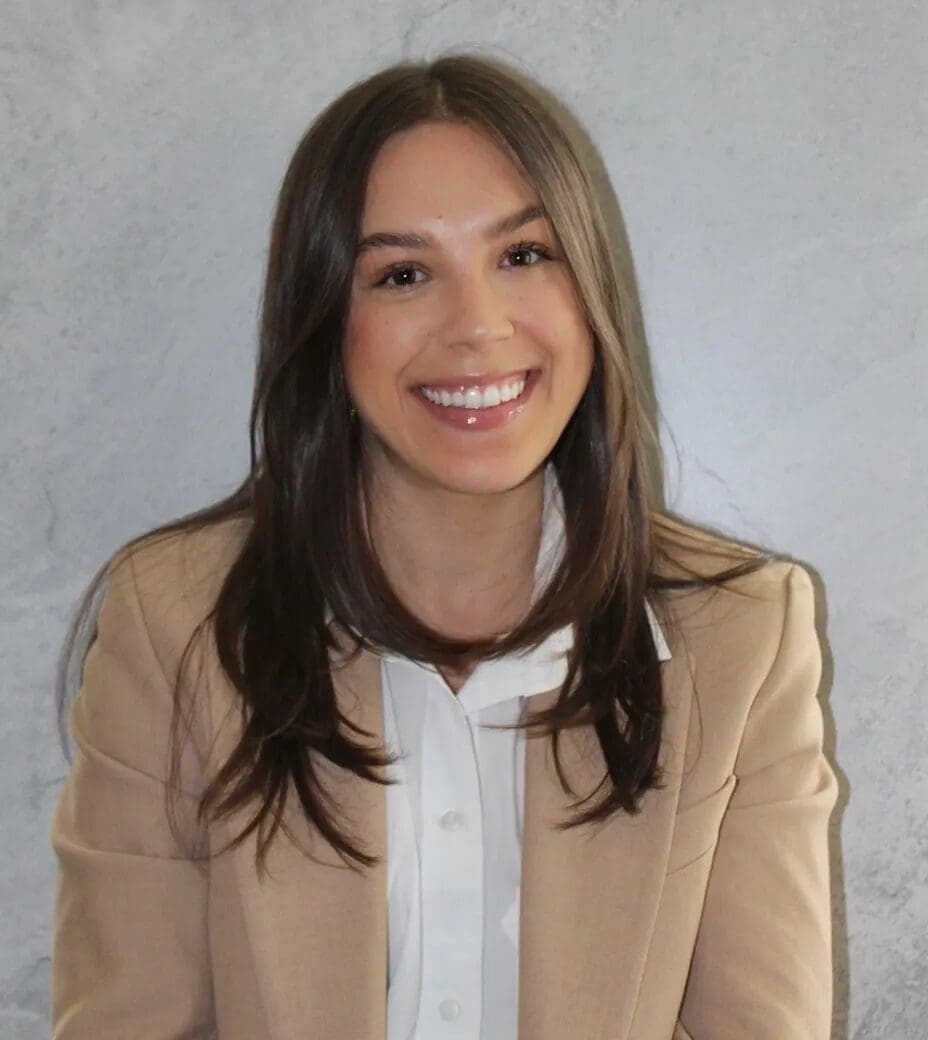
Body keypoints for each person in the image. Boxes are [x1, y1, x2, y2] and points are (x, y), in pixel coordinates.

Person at [49, 51, 838, 1039]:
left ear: (591, 293)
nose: (476, 324)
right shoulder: (176, 621)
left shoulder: (742, 635)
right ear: (326, 326)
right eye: (403, 273)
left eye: (522, 255)